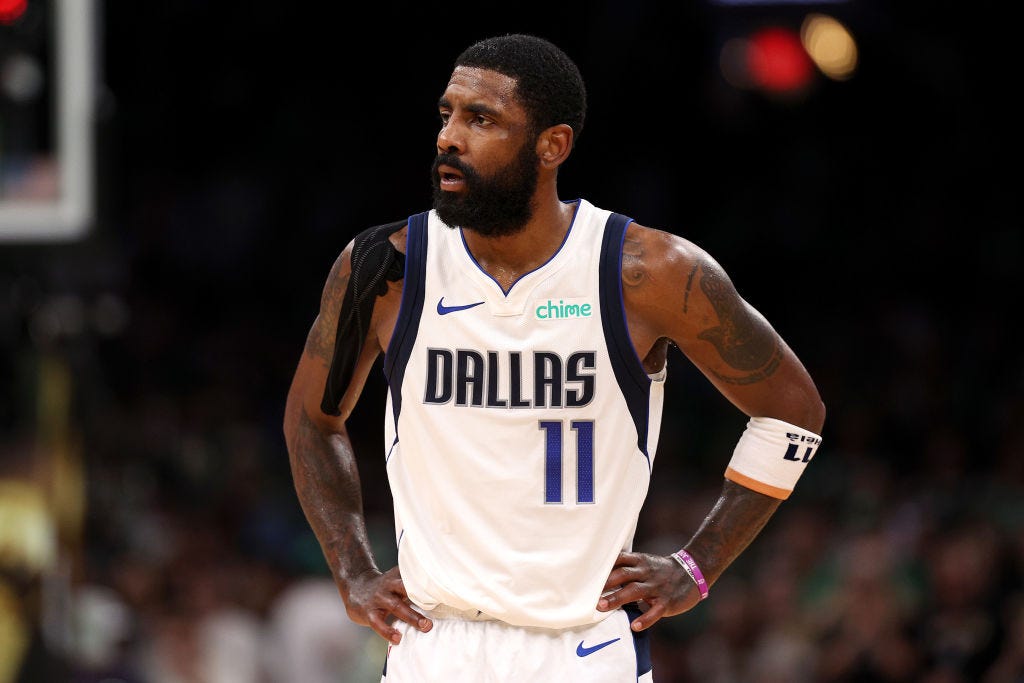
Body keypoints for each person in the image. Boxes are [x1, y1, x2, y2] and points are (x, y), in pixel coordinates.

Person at [283, 33, 825, 682]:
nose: (448, 138)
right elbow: (312, 420)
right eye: (446, 114)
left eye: (480, 119)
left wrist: (698, 562)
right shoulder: (386, 268)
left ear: (553, 145)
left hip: (582, 647)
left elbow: (793, 411)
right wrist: (351, 569)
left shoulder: (646, 272)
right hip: (434, 643)